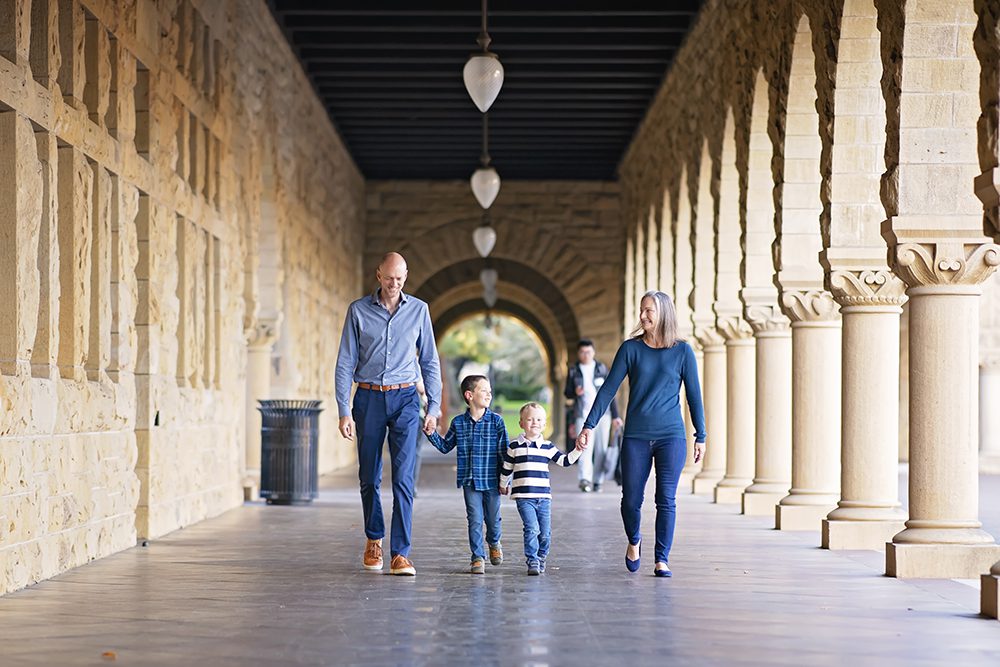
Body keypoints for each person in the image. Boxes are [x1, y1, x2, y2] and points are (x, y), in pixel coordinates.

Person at [577, 291, 705, 578]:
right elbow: (608, 389)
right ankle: (634, 540)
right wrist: (589, 425)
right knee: (631, 499)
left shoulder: (682, 351)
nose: (643, 316)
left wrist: (701, 435)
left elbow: (694, 396)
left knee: (666, 499)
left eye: (649, 311)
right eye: (641, 310)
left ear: (664, 314)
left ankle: (662, 558)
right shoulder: (630, 349)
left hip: (671, 436)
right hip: (636, 436)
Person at [335, 252, 441, 577]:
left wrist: (433, 407)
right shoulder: (358, 310)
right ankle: (374, 538)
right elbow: (344, 363)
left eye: (400, 278)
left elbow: (430, 362)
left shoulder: (420, 311)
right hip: (368, 398)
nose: (394, 284)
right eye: (388, 278)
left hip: (407, 398)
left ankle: (400, 553)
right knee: (368, 475)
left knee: (404, 478)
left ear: (405, 277)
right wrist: (343, 410)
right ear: (378, 275)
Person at [425, 375, 508, 574]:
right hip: (469, 480)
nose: (489, 394)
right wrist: (432, 434)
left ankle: (494, 542)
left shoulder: (497, 422)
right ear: (469, 395)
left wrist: (506, 479)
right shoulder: (459, 423)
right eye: (484, 390)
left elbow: (505, 453)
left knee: (493, 520)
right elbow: (446, 446)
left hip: (492, 480)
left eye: (490, 390)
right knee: (474, 519)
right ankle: (477, 556)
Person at [500, 402, 584, 576]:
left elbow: (565, 461)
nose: (534, 423)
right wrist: (503, 484)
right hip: (524, 498)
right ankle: (532, 560)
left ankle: (541, 556)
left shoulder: (547, 447)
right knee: (532, 529)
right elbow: (507, 468)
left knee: (545, 533)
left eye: (539, 419)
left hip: (544, 498)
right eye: (530, 419)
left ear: (545, 424)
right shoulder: (515, 446)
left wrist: (578, 450)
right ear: (521, 423)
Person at [565, 339, 624, 492]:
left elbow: (611, 394)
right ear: (578, 354)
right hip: (581, 414)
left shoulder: (601, 369)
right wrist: (575, 392)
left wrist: (616, 416)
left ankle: (598, 480)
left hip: (603, 415)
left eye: (588, 352)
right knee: (583, 447)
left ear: (593, 352)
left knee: (601, 449)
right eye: (583, 352)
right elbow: (567, 392)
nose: (586, 355)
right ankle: (585, 479)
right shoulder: (573, 371)